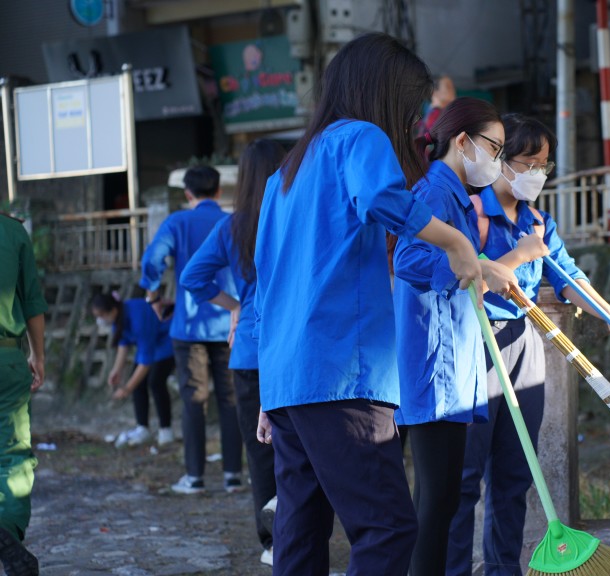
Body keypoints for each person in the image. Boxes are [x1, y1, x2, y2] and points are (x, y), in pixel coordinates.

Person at [252, 33, 493, 576]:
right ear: (385, 93)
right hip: (343, 374)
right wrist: (456, 242)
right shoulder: (359, 137)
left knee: (301, 530)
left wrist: (270, 391)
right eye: (411, 106)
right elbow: (383, 199)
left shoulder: (284, 172)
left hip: (292, 379)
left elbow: (267, 287)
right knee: (387, 527)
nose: (412, 122)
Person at [446, 114, 610, 576]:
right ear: (501, 161)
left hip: (524, 345)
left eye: (543, 164)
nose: (536, 173)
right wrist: (519, 255)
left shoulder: (538, 219)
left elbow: (568, 277)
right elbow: (471, 279)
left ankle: (503, 570)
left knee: (515, 474)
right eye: (526, 162)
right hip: (476, 346)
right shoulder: (471, 214)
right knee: (465, 476)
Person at [393, 97, 519, 576]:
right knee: (439, 502)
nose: (498, 161)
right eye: (495, 147)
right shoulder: (434, 193)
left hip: (451, 363)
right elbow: (407, 261)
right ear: (462, 141)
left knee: (436, 499)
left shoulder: (456, 197)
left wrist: (483, 271)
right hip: (435, 365)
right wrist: (477, 264)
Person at [180, 139, 285, 567]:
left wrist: (237, 305)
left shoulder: (233, 226)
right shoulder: (294, 216)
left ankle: (272, 544)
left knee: (260, 453)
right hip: (295, 350)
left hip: (248, 355)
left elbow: (193, 278)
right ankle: (298, 526)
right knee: (303, 447)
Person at [139, 165, 244, 495]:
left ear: (187, 194)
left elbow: (153, 258)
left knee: (193, 400)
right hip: (231, 321)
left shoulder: (177, 222)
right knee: (231, 401)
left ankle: (195, 477)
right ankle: (233, 476)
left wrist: (152, 293)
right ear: (218, 192)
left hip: (189, 326)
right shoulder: (233, 221)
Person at [0, 211, 46, 576]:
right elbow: (31, 300)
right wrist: (38, 355)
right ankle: (7, 534)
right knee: (12, 456)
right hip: (6, 359)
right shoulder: (12, 231)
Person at [91, 292, 175, 448]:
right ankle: (142, 428)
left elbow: (145, 362)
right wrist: (116, 370)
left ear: (112, 310)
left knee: (156, 383)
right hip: (150, 347)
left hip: (166, 344)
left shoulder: (137, 318)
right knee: (139, 385)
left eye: (102, 315)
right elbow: (123, 345)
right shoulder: (120, 317)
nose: (100, 320)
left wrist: (127, 388)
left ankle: (166, 429)